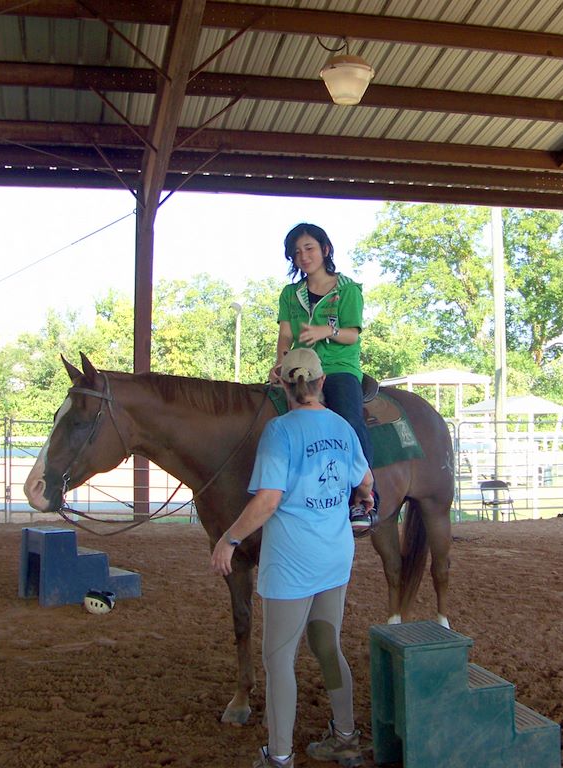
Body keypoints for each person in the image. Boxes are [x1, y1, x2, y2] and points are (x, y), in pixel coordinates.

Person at [211, 348, 373, 768]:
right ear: (322, 382)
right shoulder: (343, 426)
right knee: (327, 645)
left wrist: (229, 538)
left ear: (283, 384)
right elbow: (365, 479)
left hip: (292, 562)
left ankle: (279, 756)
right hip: (335, 555)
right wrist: (365, 495)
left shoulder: (279, 431)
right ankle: (346, 738)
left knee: (279, 657)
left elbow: (268, 500)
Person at [270, 222, 376, 536]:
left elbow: (352, 335)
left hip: (338, 367)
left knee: (350, 420)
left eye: (309, 248)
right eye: (297, 252)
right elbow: (285, 335)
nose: (303, 256)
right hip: (300, 365)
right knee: (267, 414)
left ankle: (364, 497)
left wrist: (324, 331)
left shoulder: (348, 289)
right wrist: (280, 363)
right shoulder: (290, 294)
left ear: (325, 250)